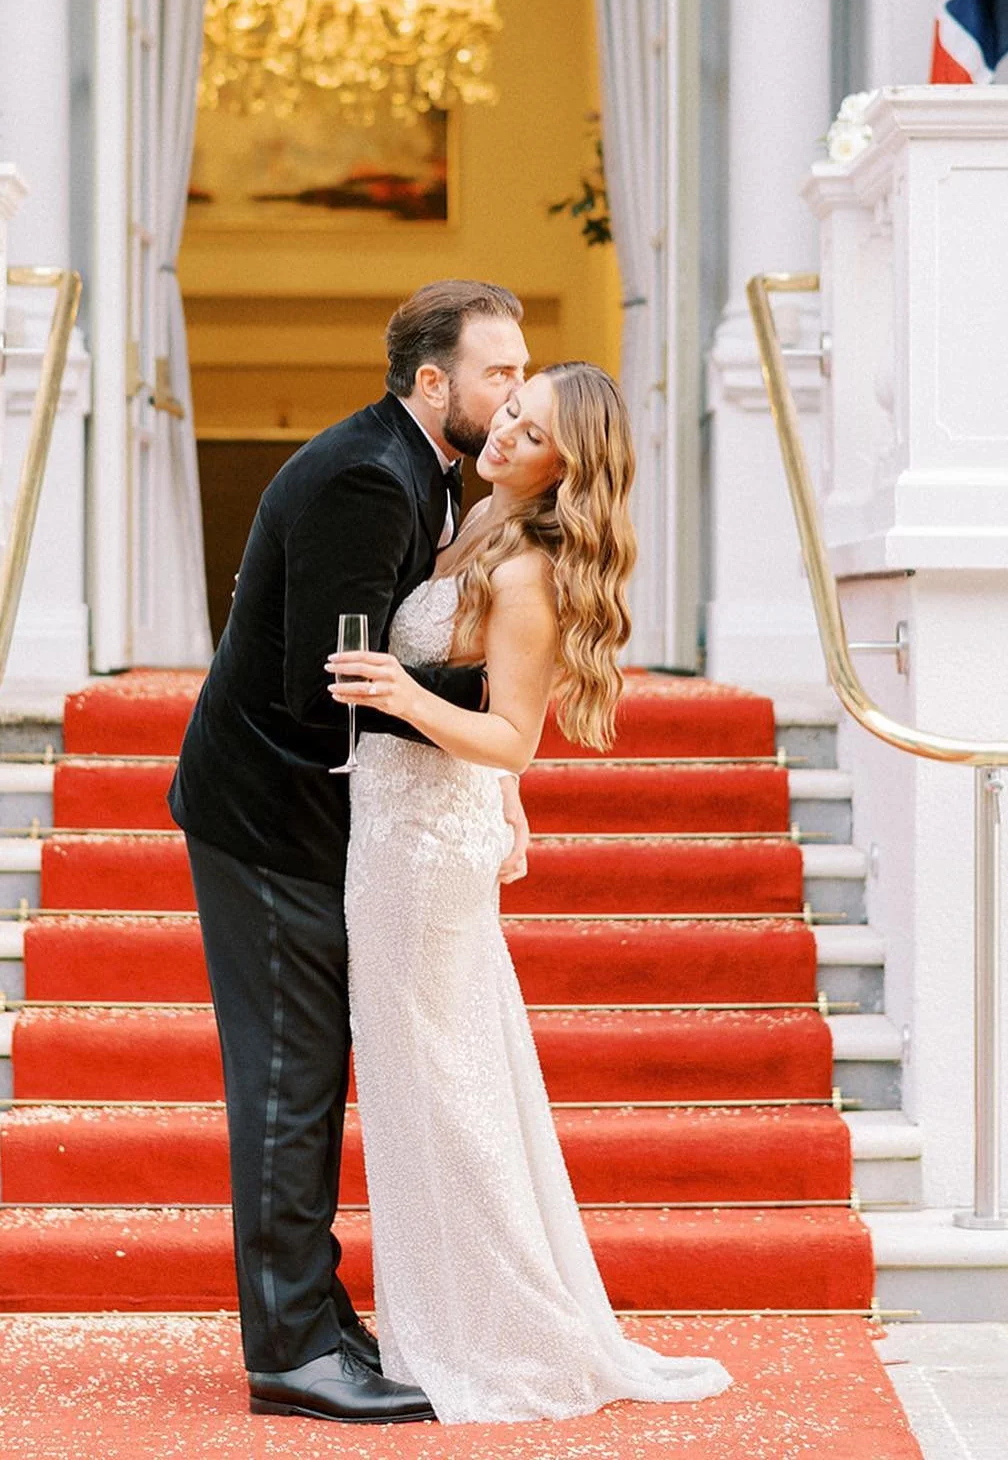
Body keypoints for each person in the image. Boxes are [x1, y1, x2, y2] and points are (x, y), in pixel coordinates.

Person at [326, 363, 733, 1423]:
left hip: (423, 851)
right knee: (429, 1092)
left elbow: (513, 730)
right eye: (513, 406)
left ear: (568, 469)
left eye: (535, 430)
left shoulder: (529, 572)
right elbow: (501, 751)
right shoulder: (471, 526)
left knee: (444, 1098)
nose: (505, 429)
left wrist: (402, 693)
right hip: (404, 823)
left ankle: (500, 1337)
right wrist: (506, 798)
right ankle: (443, 1324)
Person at [168, 280, 532, 1423]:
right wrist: (489, 704)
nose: (515, 393)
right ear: (436, 383)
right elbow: (318, 690)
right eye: (499, 375)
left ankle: (316, 1317)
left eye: (522, 373)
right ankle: (291, 1352)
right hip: (270, 815)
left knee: (304, 1078)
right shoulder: (374, 478)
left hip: (310, 815)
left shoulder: (418, 466)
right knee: (291, 1083)